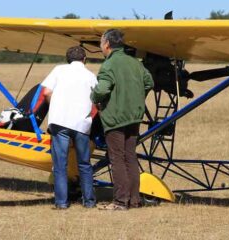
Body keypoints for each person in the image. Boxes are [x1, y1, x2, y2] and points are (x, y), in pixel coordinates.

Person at [91, 29, 154, 211]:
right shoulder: (135, 63)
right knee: (130, 157)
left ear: (107, 44)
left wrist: (93, 96)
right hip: (134, 117)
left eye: (101, 43)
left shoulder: (109, 65)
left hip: (115, 118)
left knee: (116, 158)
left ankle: (120, 202)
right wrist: (137, 97)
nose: (101, 46)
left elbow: (101, 90)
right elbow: (149, 82)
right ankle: (134, 200)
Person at [42, 46, 98, 209]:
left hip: (59, 123)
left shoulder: (58, 70)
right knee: (84, 164)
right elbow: (96, 99)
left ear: (68, 59)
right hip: (82, 124)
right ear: (84, 59)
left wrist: (55, 106)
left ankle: (61, 203)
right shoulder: (90, 75)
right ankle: (89, 201)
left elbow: (46, 92)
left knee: (60, 165)